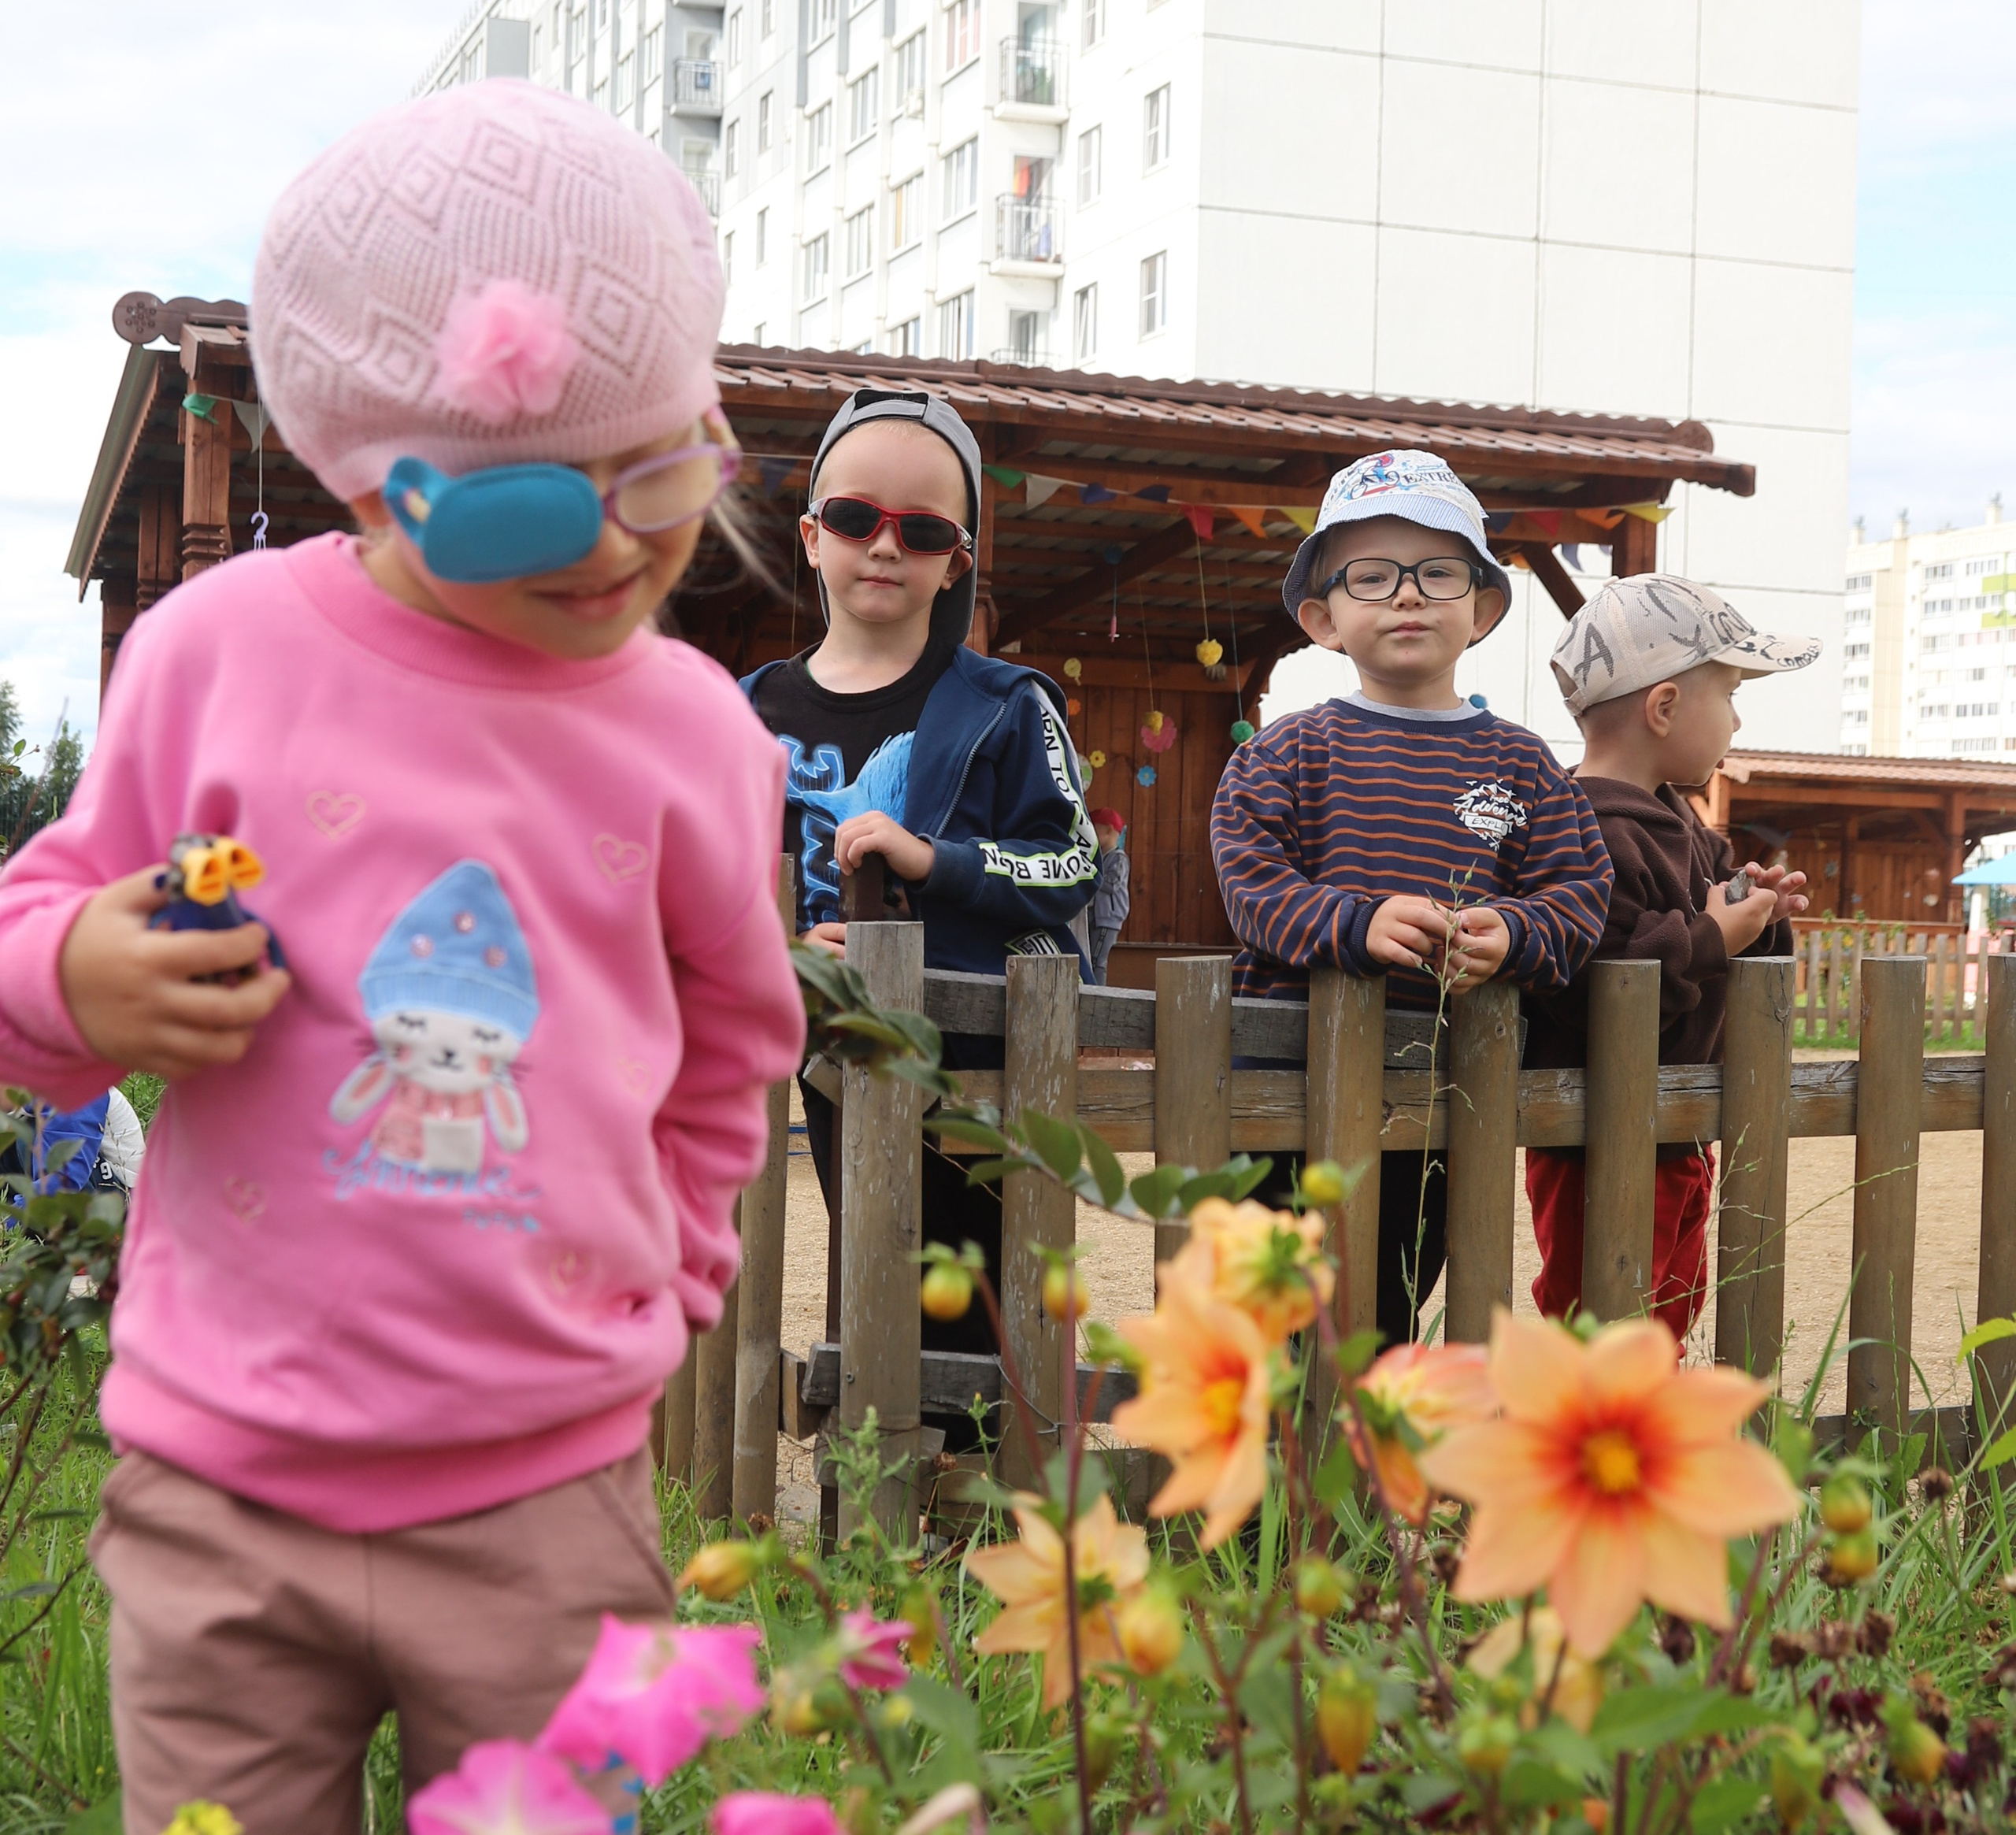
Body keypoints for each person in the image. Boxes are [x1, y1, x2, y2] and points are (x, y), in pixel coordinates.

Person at [0, 81, 802, 1832]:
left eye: (666, 465)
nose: (613, 541)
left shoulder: (695, 738)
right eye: (528, 513)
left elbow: (736, 1039)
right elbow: (31, 929)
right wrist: (75, 984)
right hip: (221, 1479)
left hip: (549, 1489)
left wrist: (661, 1284)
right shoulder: (219, 654)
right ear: (375, 471)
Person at [1210, 450, 1613, 1348]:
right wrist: (1353, 924)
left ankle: (1356, 1482)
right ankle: (1253, 1488)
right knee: (1261, 1314)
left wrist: (1510, 933)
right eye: (1372, 576)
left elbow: (1583, 890)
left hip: (1436, 1091)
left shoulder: (1523, 765)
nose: (1406, 595)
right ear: (1322, 617)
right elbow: (1250, 882)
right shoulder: (1284, 754)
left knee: (1383, 1306)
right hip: (1280, 1085)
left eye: (1437, 573)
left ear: (1481, 608)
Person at [742, 389, 1099, 1357]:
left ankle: (980, 1479)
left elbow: (1072, 858)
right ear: (813, 536)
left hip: (985, 1048)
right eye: (857, 518)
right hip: (837, 1041)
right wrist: (781, 948)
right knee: (873, 1248)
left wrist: (934, 861)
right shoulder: (744, 713)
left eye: (923, 527)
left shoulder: (1009, 706)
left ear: (959, 558)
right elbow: (697, 885)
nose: (885, 545)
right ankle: (889, 1483)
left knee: (983, 1269)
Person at [1523, 574, 1817, 1340]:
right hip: (1596, 1137)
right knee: (1598, 1313)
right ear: (1663, 707)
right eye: (1728, 693)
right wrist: (1713, 935)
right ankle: (1584, 1444)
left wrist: (1760, 914)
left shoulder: (1680, 824)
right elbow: (1595, 981)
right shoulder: (1578, 833)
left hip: (1679, 1125)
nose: (1737, 717)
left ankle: (1648, 1434)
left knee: (1669, 1310)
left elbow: (1712, 935)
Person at [1088, 807, 1131, 985]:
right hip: (1094, 917)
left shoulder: (1118, 858)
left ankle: (1098, 996)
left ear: (1109, 830)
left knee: (1097, 962)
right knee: (1090, 959)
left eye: (1094, 830)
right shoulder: (1097, 858)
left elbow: (1112, 884)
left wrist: (1090, 874)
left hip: (1108, 919)